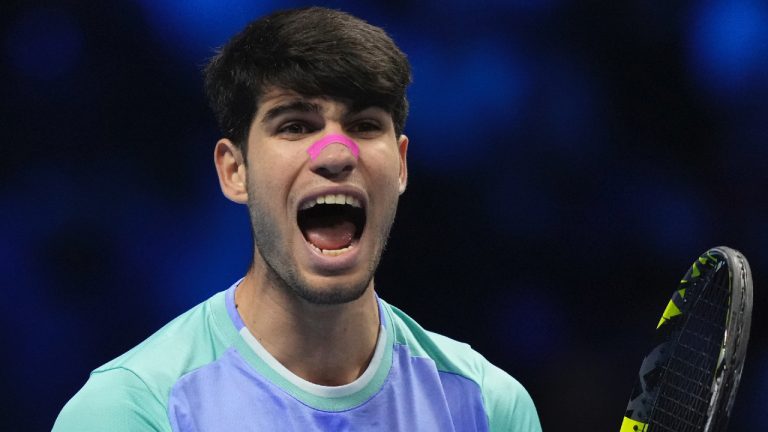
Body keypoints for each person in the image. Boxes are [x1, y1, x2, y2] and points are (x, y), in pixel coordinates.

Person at [53, 7, 541, 431]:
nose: (335, 153)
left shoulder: (488, 405)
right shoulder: (131, 410)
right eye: (295, 125)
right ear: (234, 170)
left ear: (401, 165)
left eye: (364, 125)